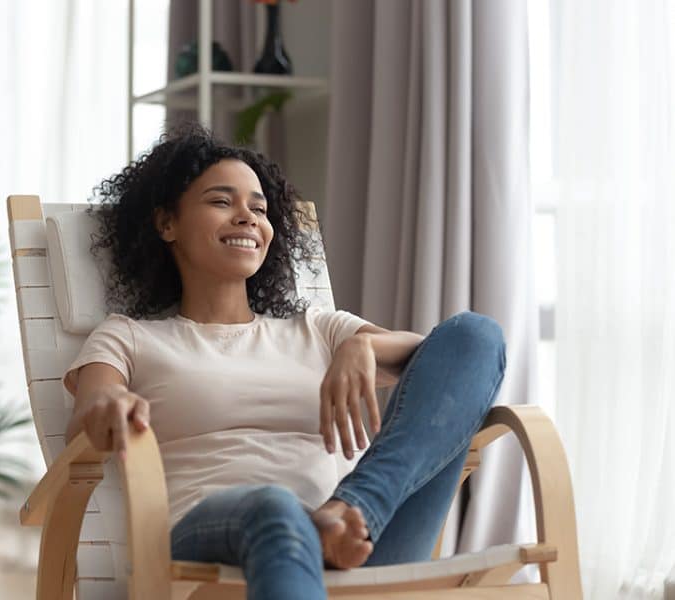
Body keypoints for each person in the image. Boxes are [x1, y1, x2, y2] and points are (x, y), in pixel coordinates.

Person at [62, 123, 507, 600]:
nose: (246, 217)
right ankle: (324, 523)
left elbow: (454, 361)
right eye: (221, 202)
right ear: (167, 223)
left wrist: (362, 346)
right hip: (210, 541)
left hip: (357, 547)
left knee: (479, 333)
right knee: (276, 507)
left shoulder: (318, 329)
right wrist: (108, 407)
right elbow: (91, 408)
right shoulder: (129, 336)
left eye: (259, 207)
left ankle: (349, 511)